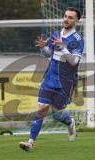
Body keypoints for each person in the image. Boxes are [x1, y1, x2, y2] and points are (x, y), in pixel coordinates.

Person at [19, 7, 84, 151]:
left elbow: (74, 61)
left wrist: (63, 48)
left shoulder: (78, 40)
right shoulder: (56, 33)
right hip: (49, 78)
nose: (66, 19)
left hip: (65, 82)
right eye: (65, 16)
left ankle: (70, 122)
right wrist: (43, 48)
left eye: (70, 17)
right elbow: (49, 54)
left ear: (77, 21)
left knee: (57, 114)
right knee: (42, 109)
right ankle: (30, 142)